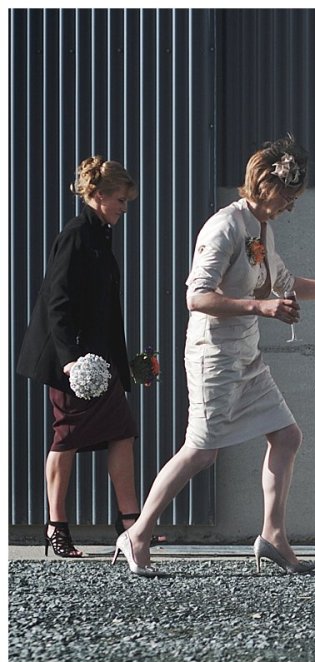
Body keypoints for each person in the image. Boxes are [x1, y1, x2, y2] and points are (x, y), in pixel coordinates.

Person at [112, 135, 315, 577]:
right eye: (288, 193)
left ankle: (273, 536)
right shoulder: (224, 226)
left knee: (287, 436)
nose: (291, 204)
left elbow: (284, 281)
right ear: (265, 183)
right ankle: (138, 533)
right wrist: (260, 307)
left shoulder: (262, 228)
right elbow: (196, 297)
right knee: (202, 452)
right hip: (213, 355)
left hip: (247, 353)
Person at [16, 156, 162, 557]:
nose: (124, 208)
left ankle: (131, 524)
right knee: (67, 437)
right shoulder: (78, 234)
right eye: (120, 199)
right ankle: (56, 527)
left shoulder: (101, 234)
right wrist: (70, 360)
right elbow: (56, 301)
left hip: (100, 362)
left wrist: (125, 364)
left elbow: (103, 308)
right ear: (97, 196)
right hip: (75, 364)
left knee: (122, 431)